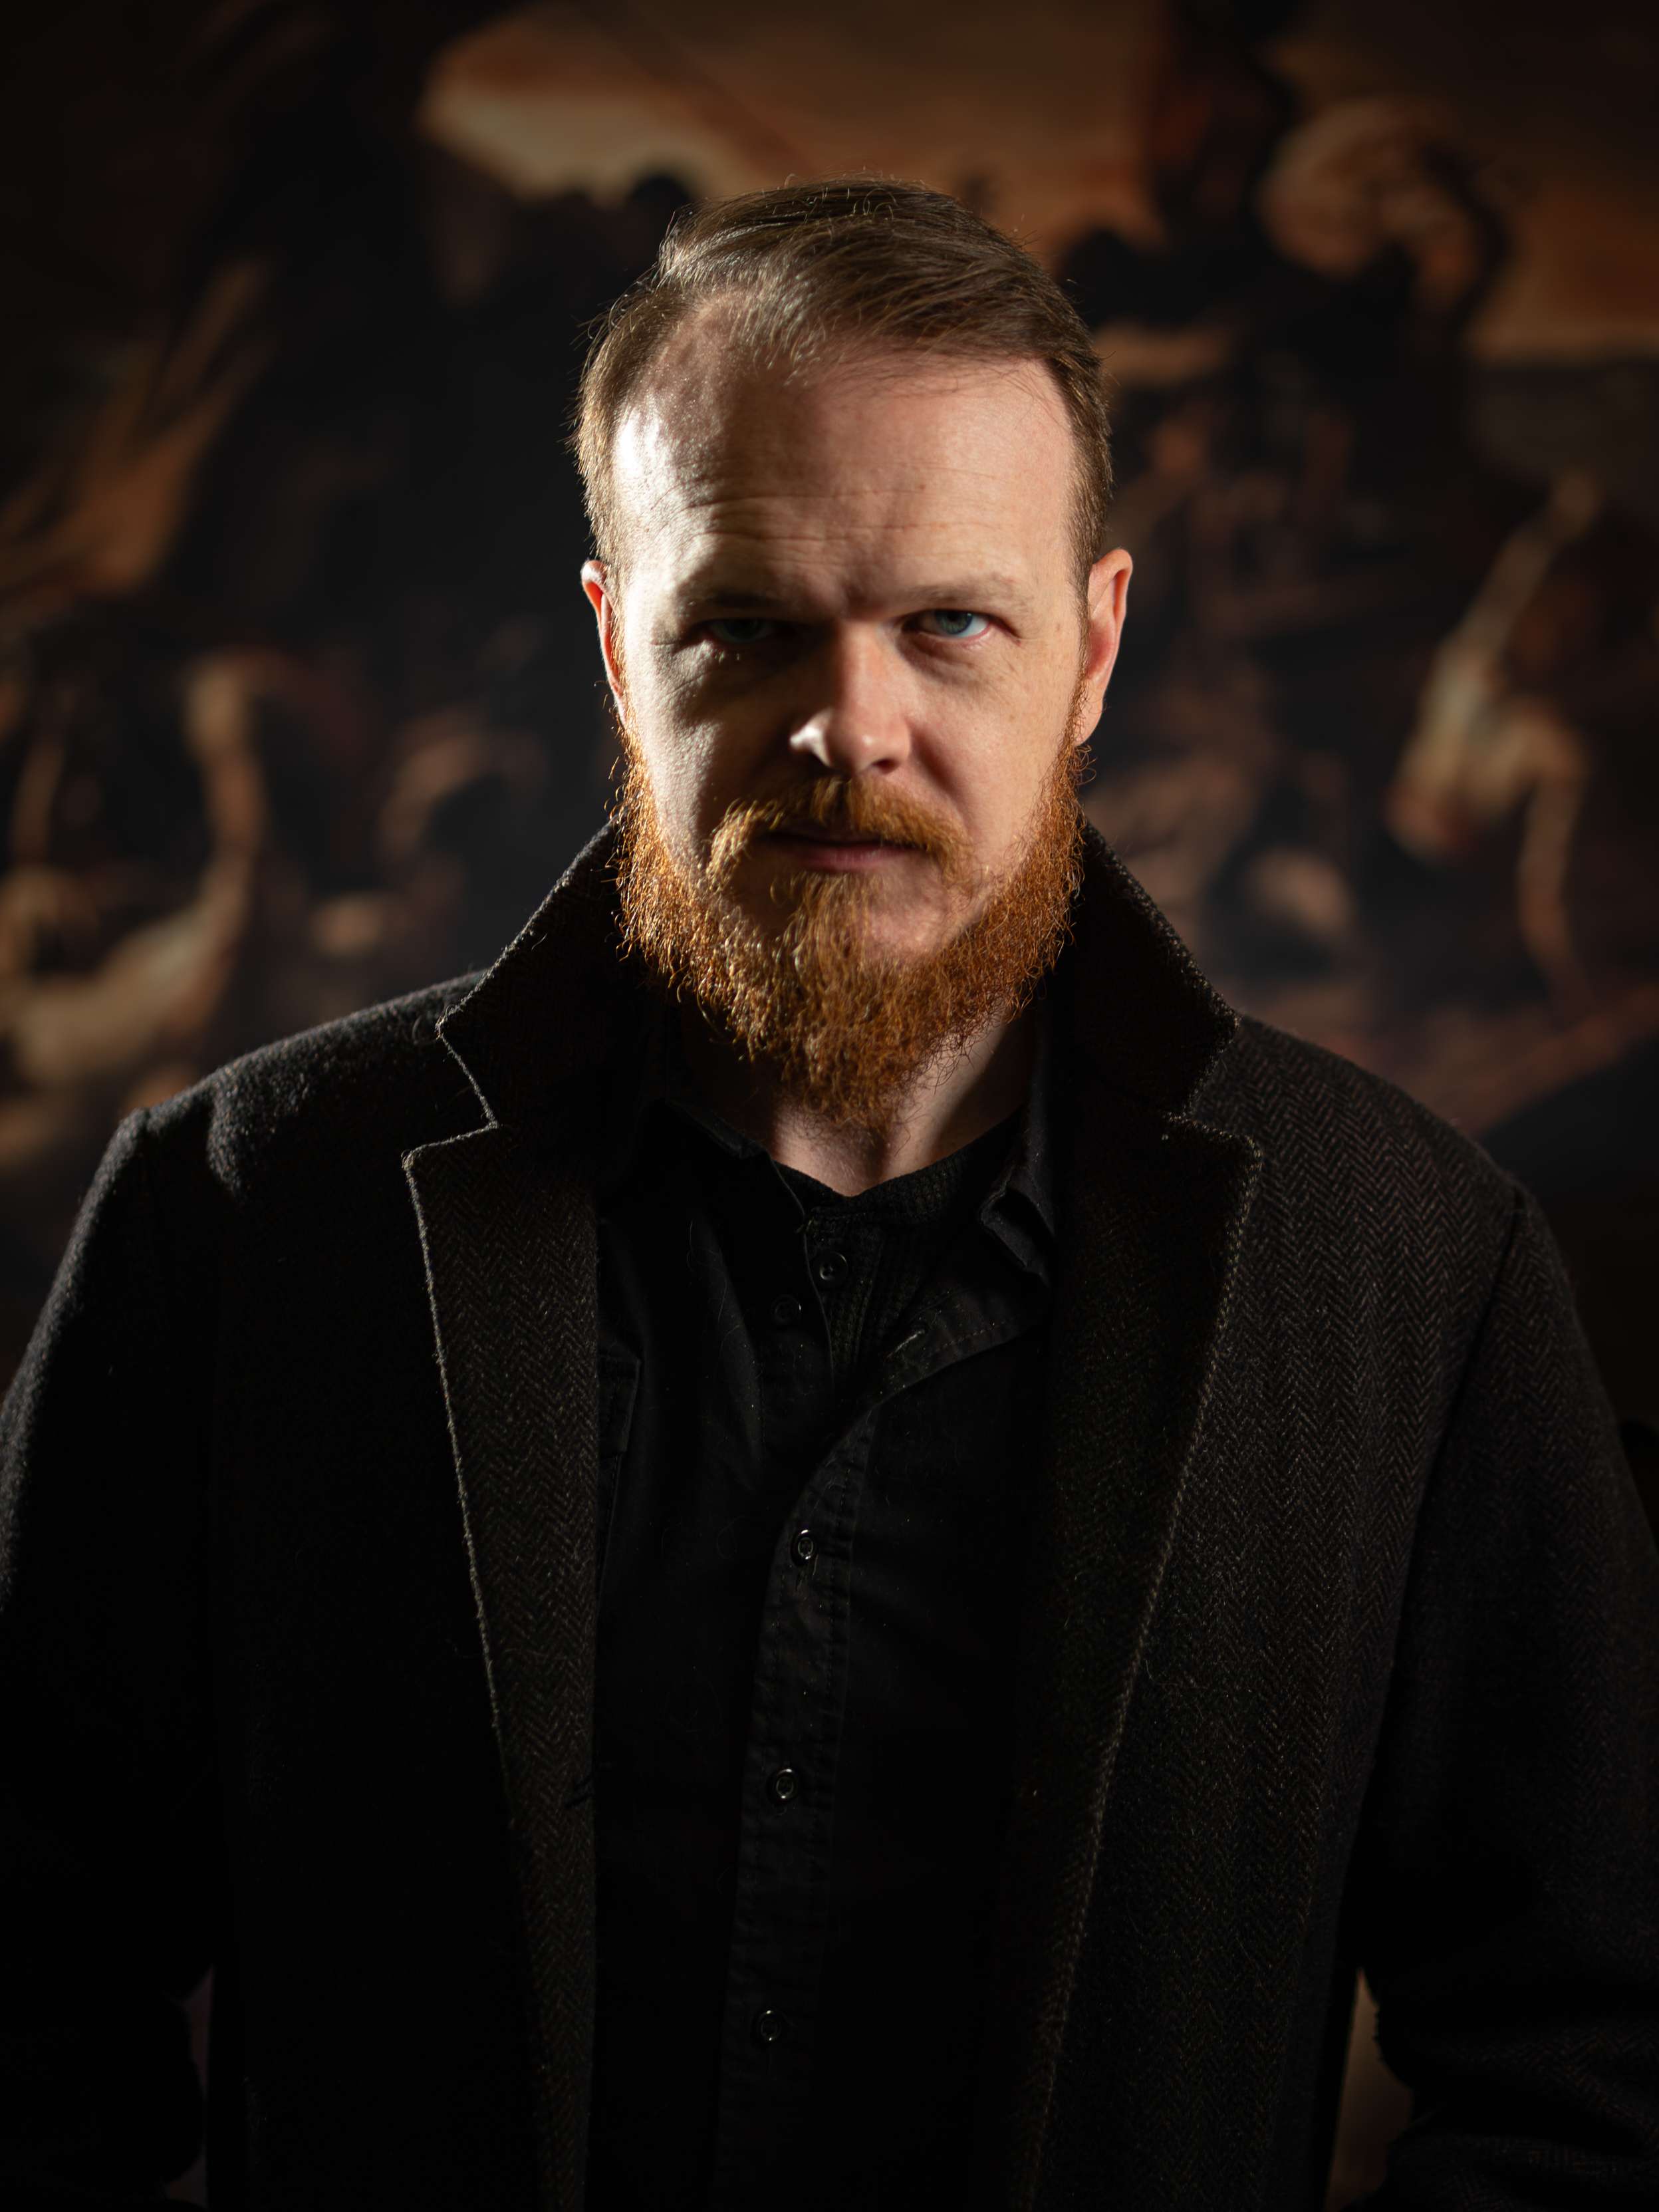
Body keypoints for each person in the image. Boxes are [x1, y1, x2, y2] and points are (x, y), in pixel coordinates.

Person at [1, 178, 1654, 2212]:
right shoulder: (247, 1220)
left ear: (1094, 652)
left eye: (948, 623)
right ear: (621, 651)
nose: (847, 726)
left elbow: (1595, 2064)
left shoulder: (1414, 1270)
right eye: (747, 623)